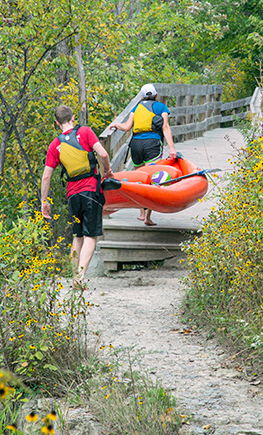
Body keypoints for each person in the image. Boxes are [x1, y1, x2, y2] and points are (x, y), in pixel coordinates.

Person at [40, 105, 113, 288]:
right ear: (73, 118)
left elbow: (46, 176)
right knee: (90, 236)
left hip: (72, 195)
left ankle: (75, 276)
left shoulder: (55, 145)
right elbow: (102, 153)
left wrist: (44, 201)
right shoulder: (86, 132)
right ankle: (79, 279)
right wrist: (108, 170)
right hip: (91, 190)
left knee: (77, 236)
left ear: (57, 123)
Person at [108, 83, 175, 226]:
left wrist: (116, 125)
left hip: (136, 145)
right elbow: (165, 127)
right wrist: (172, 149)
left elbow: (126, 127)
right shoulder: (161, 107)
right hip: (152, 144)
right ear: (156, 94)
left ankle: (141, 213)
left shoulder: (136, 108)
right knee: (152, 178)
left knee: (140, 177)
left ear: (143, 96)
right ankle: (147, 217)